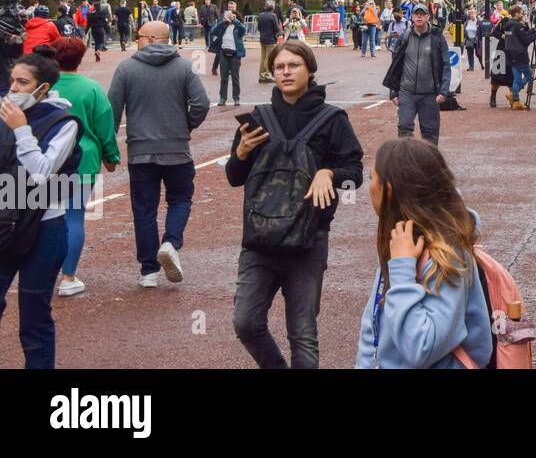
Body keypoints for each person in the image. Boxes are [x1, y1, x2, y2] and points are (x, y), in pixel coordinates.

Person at [226, 40, 363, 368]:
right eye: (279, 67)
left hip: (308, 239)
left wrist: (328, 173)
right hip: (260, 239)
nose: (285, 72)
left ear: (309, 69)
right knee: (245, 322)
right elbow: (234, 176)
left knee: (302, 333)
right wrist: (242, 152)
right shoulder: (258, 119)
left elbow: (354, 174)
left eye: (293, 66)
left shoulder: (333, 119)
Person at [356, 138, 493, 368]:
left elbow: (421, 348)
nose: (369, 187)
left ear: (389, 190)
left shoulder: (444, 255)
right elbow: (374, 326)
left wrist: (401, 270)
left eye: (372, 178)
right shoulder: (403, 240)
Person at [107, 20, 210, 287]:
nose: (135, 39)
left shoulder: (126, 68)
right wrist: (186, 125)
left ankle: (149, 271)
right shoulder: (185, 66)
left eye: (138, 36)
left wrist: (108, 149)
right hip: (177, 149)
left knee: (144, 211)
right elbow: (201, 103)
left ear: (151, 38)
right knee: (180, 199)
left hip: (140, 151)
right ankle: (171, 242)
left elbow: (113, 112)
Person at [0, 50, 83, 367]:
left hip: (45, 226)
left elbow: (41, 172)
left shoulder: (64, 122)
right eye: (12, 81)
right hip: (5, 220)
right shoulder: (3, 112)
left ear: (43, 88)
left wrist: (21, 129)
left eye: (23, 82)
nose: (14, 88)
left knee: (34, 319)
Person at [35, 40, 118, 299]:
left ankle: (39, 271)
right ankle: (68, 276)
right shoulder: (91, 88)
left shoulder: (42, 87)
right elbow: (105, 125)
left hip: (43, 160)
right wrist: (111, 156)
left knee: (40, 218)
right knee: (73, 217)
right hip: (82, 161)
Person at [383, 3, 451, 143]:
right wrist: (394, 92)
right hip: (407, 92)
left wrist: (443, 91)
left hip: (430, 93)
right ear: (412, 17)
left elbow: (445, 65)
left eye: (422, 14)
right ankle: (407, 161)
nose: (419, 16)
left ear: (428, 17)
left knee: (430, 132)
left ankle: (429, 163)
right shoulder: (405, 37)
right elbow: (395, 66)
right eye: (416, 14)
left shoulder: (437, 37)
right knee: (404, 128)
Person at [491, 5, 536, 111]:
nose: (523, 14)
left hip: (512, 51)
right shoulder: (505, 21)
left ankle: (514, 97)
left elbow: (524, 36)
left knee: (513, 77)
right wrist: (502, 36)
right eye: (521, 12)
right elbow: (495, 32)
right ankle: (493, 97)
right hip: (502, 51)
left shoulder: (523, 23)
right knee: (496, 77)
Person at [208, 5, 247, 107]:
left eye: (232, 16)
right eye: (228, 16)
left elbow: (244, 30)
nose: (229, 18)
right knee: (224, 77)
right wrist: (222, 22)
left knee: (235, 77)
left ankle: (236, 97)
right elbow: (213, 32)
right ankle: (222, 98)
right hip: (223, 53)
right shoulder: (223, 26)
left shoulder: (238, 28)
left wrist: (235, 21)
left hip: (235, 54)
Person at [257, 0, 282, 83]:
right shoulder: (273, 16)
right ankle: (267, 75)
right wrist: (280, 31)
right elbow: (276, 28)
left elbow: (259, 28)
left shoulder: (260, 15)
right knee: (268, 58)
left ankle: (261, 75)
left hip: (262, 38)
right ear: (273, 7)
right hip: (271, 39)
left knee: (263, 57)